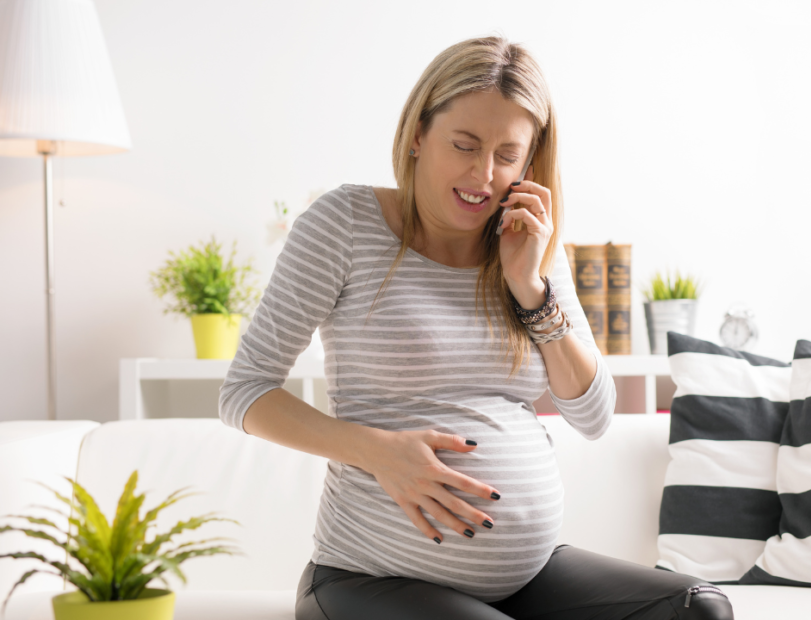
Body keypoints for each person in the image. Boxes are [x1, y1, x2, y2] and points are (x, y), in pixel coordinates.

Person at [218, 35, 734, 620]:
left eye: (507, 155)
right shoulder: (344, 224)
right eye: (464, 145)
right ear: (418, 134)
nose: (483, 174)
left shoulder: (530, 243)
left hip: (525, 578)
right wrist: (380, 452)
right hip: (367, 578)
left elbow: (592, 414)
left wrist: (529, 288)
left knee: (698, 610)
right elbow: (244, 391)